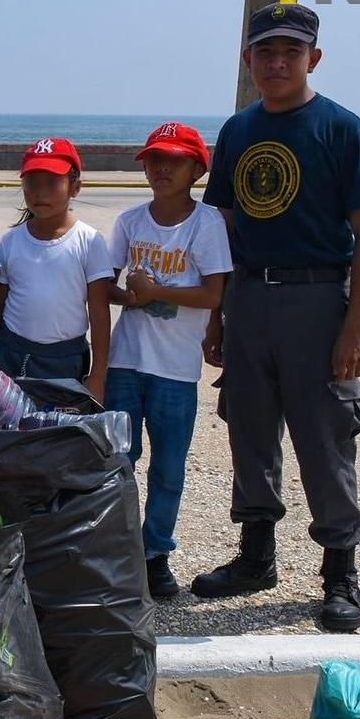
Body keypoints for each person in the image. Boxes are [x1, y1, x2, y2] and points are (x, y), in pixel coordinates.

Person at [195, 3, 360, 632]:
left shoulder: (341, 129)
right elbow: (221, 225)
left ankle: (340, 572)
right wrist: (218, 316)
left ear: (314, 58)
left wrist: (355, 325)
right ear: (248, 60)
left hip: (317, 298)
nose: (277, 63)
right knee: (248, 432)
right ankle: (257, 558)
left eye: (291, 52)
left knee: (324, 436)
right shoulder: (237, 131)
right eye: (265, 52)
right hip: (249, 296)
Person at [106, 123, 232, 599]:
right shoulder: (131, 221)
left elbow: (213, 292)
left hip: (176, 368)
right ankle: (117, 548)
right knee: (120, 459)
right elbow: (108, 283)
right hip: (125, 360)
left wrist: (155, 291)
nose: (161, 169)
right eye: (153, 160)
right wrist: (128, 297)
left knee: (169, 467)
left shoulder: (206, 225)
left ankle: (155, 551)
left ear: (197, 169)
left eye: (173, 161)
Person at [0, 138, 111, 401]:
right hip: (10, 355)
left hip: (66, 361)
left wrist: (98, 376)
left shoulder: (89, 241)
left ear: (75, 187)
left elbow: (100, 312)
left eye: (52, 182)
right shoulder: (10, 241)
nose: (40, 192)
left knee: (57, 436)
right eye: (32, 183)